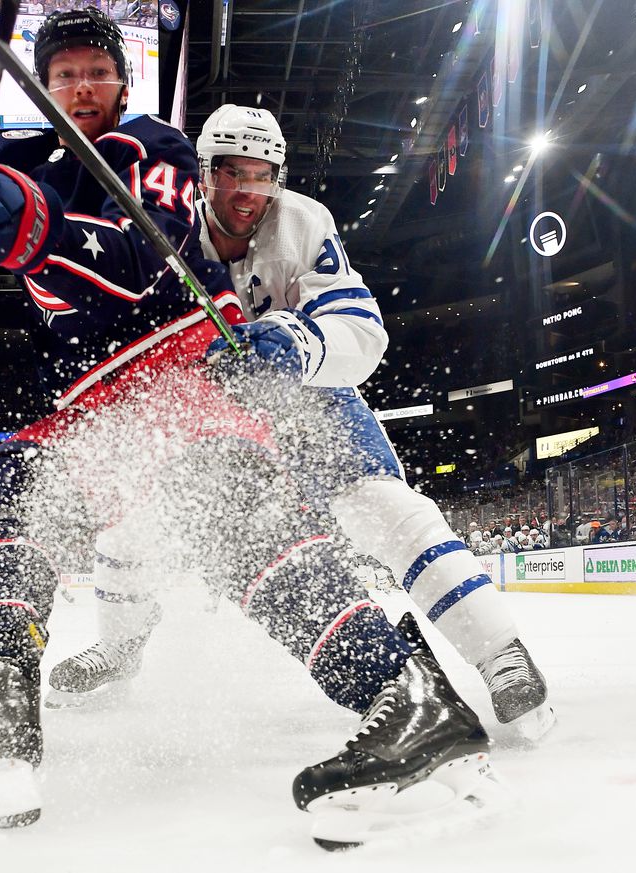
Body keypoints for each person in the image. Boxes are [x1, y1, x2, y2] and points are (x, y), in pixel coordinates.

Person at [0, 8, 496, 846]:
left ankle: (412, 702)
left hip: (183, 370)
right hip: (89, 406)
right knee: (6, 495)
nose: (81, 87)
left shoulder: (159, 150)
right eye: (63, 73)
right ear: (42, 84)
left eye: (95, 73)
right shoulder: (16, 162)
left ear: (123, 82)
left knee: (228, 510)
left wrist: (27, 232)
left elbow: (136, 255)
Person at [47, 105, 554, 739]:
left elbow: (363, 334)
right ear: (202, 173)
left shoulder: (305, 223)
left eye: (260, 177)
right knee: (130, 523)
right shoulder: (159, 223)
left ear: (278, 177)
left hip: (303, 400)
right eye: (230, 173)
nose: (244, 193)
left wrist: (298, 342)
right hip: (203, 413)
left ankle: (500, 652)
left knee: (389, 509)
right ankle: (119, 651)